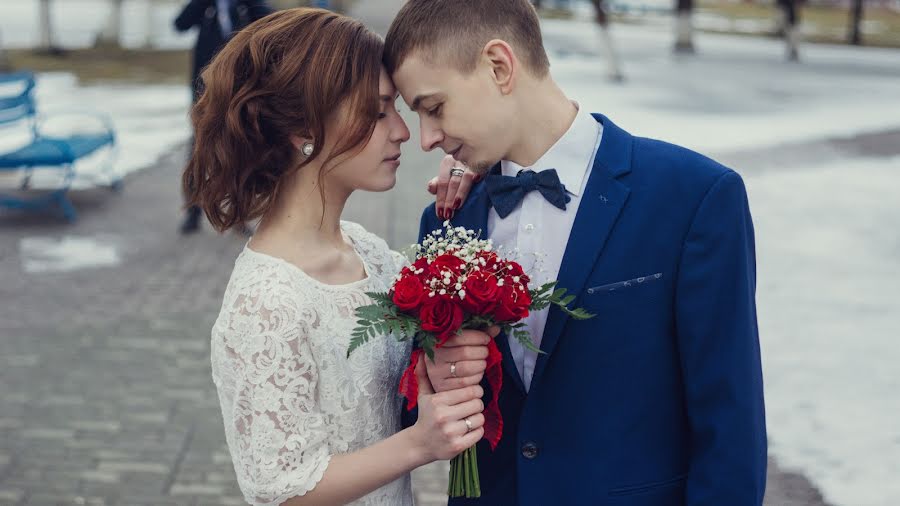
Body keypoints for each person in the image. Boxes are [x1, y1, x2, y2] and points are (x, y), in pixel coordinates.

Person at [384, 0, 767, 504]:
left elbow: (730, 424)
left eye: (434, 108)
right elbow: (422, 414)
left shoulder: (694, 197)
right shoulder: (447, 218)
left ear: (499, 66)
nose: (428, 138)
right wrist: (439, 374)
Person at [184, 8, 489, 505]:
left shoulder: (368, 252)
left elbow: (430, 355)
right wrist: (419, 444)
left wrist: (473, 190)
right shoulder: (266, 302)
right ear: (304, 129)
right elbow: (283, 492)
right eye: (377, 111)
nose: (402, 131)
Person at [175, 0, 273, 234]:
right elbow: (180, 24)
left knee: (240, 151)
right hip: (205, 92)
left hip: (239, 90)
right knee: (199, 153)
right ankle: (192, 212)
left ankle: (239, 214)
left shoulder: (246, 4)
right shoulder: (205, 5)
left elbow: (271, 20)